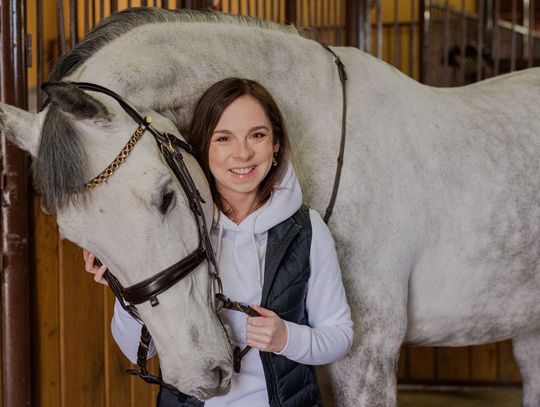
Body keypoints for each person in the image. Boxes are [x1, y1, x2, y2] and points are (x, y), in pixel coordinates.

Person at [84, 77, 353, 406]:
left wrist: (287, 337)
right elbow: (138, 348)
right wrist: (127, 292)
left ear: (276, 144)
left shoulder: (307, 230)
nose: (243, 153)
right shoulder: (174, 228)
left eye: (257, 135)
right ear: (203, 146)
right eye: (223, 138)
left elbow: (340, 335)